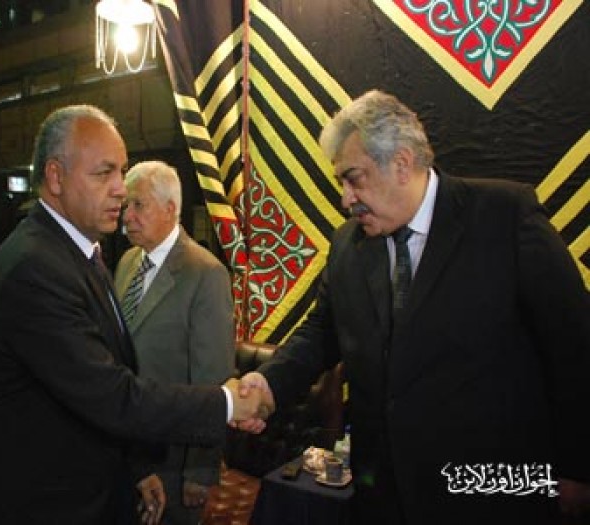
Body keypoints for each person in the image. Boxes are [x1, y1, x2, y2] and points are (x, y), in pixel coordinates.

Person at [238, 90, 590, 524]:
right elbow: (321, 332)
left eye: (354, 179)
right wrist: (267, 383)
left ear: (402, 164)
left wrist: (578, 468)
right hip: (384, 493)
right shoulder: (347, 245)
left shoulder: (504, 217)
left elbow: (575, 346)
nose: (346, 199)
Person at [0, 104, 260, 525]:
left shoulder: (81, 253)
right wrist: (227, 403)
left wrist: (136, 467)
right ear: (56, 177)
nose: (119, 190)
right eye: (104, 173)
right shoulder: (34, 268)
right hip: (36, 503)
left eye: (122, 172)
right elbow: (111, 394)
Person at [113, 160, 234, 524]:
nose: (127, 217)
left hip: (172, 461)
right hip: (124, 449)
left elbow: (212, 380)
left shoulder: (206, 273)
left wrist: (200, 469)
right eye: (125, 206)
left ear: (170, 208)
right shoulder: (127, 262)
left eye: (138, 205)